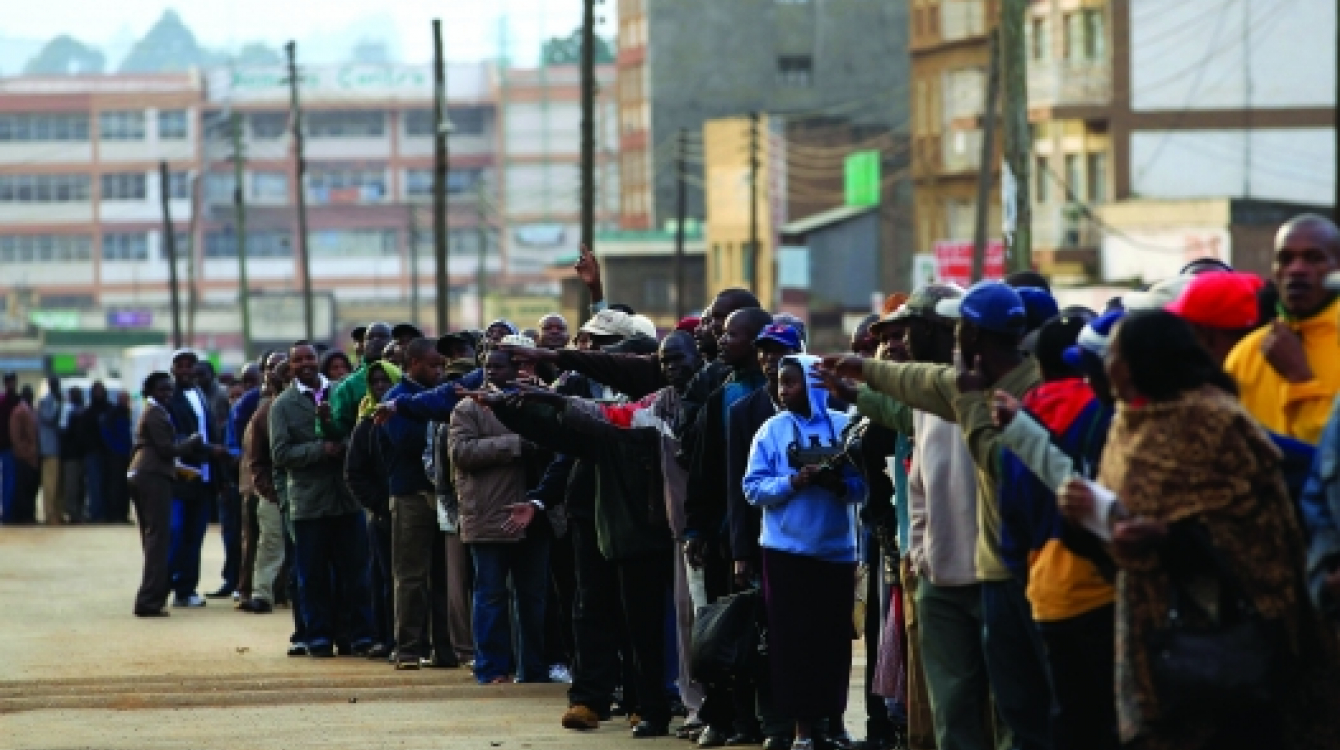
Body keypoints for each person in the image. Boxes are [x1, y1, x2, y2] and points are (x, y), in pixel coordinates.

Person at [1062, 310, 1340, 750]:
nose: (1108, 365)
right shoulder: (1126, 425)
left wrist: (1170, 541)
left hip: (1219, 641)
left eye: (1116, 353)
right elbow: (1117, 524)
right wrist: (1081, 520)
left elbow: (1260, 540)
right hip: (1145, 633)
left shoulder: (1216, 422)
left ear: (1140, 361)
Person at [820, 281, 1053, 750]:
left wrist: (967, 397)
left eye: (910, 330)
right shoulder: (944, 386)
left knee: (1011, 709)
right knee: (954, 709)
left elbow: (999, 461)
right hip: (941, 571)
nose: (903, 340)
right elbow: (905, 391)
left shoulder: (1022, 389)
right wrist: (858, 376)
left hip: (1002, 573)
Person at [743, 355, 866, 750]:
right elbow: (752, 487)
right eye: (781, 383)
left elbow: (865, 488)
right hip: (786, 552)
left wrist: (836, 484)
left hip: (835, 552)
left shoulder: (845, 426)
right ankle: (801, 729)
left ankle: (834, 722)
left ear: (813, 386)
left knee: (833, 641)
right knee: (792, 643)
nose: (783, 390)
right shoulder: (771, 431)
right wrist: (793, 481)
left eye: (792, 382)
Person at [449, 348, 553, 685]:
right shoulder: (468, 408)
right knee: (491, 593)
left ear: (517, 368)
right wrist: (515, 444)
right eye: (487, 366)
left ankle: (533, 669)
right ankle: (492, 668)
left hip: (535, 513)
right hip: (491, 514)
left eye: (500, 366)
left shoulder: (536, 401)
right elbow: (460, 453)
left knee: (533, 596)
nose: (492, 372)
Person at [724, 324, 804, 749]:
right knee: (766, 638)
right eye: (765, 352)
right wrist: (741, 552)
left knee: (814, 638)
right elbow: (740, 490)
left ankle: (821, 723)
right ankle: (773, 724)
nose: (771, 360)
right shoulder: (743, 411)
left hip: (819, 546)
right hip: (765, 543)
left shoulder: (825, 410)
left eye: (780, 352)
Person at [269, 341, 374, 657]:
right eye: (298, 359)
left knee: (355, 573)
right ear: (290, 366)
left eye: (309, 358)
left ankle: (358, 635)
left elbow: (359, 431)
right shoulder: (282, 405)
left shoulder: (343, 392)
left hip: (347, 499)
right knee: (312, 576)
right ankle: (317, 635)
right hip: (309, 503)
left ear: (318, 360)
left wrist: (342, 445)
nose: (305, 364)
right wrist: (319, 450)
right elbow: (280, 453)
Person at [1224, 215, 1340, 444]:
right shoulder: (1245, 354)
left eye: (1314, 258)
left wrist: (1300, 379)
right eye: (1285, 259)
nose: (1297, 269)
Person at [382, 338, 452, 669]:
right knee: (411, 576)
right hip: (411, 494)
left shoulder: (438, 396)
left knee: (445, 576)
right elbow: (404, 440)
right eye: (431, 366)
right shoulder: (396, 399)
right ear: (412, 364)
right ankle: (408, 648)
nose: (438, 372)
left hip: (444, 494)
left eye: (441, 366)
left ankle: (446, 648)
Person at [129, 372, 204, 617]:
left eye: (169, 390)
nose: (167, 394)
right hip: (153, 476)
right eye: (162, 390)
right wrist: (192, 442)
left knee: (155, 538)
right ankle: (149, 600)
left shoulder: (154, 411)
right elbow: (166, 449)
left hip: (147, 473)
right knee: (158, 539)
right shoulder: (155, 413)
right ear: (150, 391)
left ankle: (152, 597)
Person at [344, 359, 401, 658]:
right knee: (382, 578)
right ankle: (385, 637)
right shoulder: (365, 425)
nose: (381, 387)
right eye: (375, 382)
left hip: (413, 508)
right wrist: (380, 505)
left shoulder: (408, 415)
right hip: (382, 514)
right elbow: (354, 474)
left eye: (386, 381)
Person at [165, 350, 228, 607]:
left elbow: (210, 431)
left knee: (195, 536)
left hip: (204, 478)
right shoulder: (169, 399)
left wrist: (220, 475)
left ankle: (186, 589)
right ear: (173, 370)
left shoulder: (201, 395)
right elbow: (178, 438)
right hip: (180, 478)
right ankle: (164, 585)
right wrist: (209, 450)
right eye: (179, 365)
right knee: (177, 534)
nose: (185, 370)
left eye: (189, 365)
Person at [238, 353, 289, 615]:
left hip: (306, 491)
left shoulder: (311, 406)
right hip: (273, 492)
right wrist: (268, 491)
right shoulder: (264, 413)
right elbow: (254, 459)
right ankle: (262, 594)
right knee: (270, 542)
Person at [228, 362, 264, 604]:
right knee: (251, 536)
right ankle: (245, 588)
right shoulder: (251, 402)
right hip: (253, 481)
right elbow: (239, 443)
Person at [78, 381, 111, 522]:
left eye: (100, 391)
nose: (99, 393)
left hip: (108, 453)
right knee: (94, 485)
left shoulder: (110, 410)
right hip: (92, 453)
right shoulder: (88, 411)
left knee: (107, 485)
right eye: (96, 391)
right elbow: (83, 433)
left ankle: (106, 512)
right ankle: (96, 513)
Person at [100, 391, 134, 525]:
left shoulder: (127, 413)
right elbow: (106, 433)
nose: (126, 402)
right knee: (115, 485)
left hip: (126, 455)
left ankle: (123, 514)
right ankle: (114, 515)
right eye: (124, 399)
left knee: (126, 487)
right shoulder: (113, 414)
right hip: (116, 456)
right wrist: (115, 447)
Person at [7, 384, 39, 524]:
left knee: (31, 488)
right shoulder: (19, 411)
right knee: (23, 489)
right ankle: (23, 516)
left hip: (32, 456)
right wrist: (25, 452)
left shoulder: (30, 410)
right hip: (24, 456)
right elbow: (15, 436)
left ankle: (29, 514)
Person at [37, 378, 63, 525]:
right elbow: (49, 417)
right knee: (49, 484)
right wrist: (59, 406)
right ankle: (49, 514)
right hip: (49, 447)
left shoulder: (53, 399)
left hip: (56, 447)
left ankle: (56, 513)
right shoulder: (47, 400)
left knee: (57, 484)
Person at [60, 386, 87, 523]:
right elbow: (64, 432)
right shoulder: (67, 410)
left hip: (81, 454)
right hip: (71, 455)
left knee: (80, 486)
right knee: (71, 486)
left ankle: (78, 512)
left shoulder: (82, 410)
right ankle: (72, 513)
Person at [0, 372, 19, 521]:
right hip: (8, 446)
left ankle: (8, 513)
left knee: (9, 481)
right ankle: (8, 513)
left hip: (10, 446)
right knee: (9, 481)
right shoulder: (16, 401)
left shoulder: (9, 401)